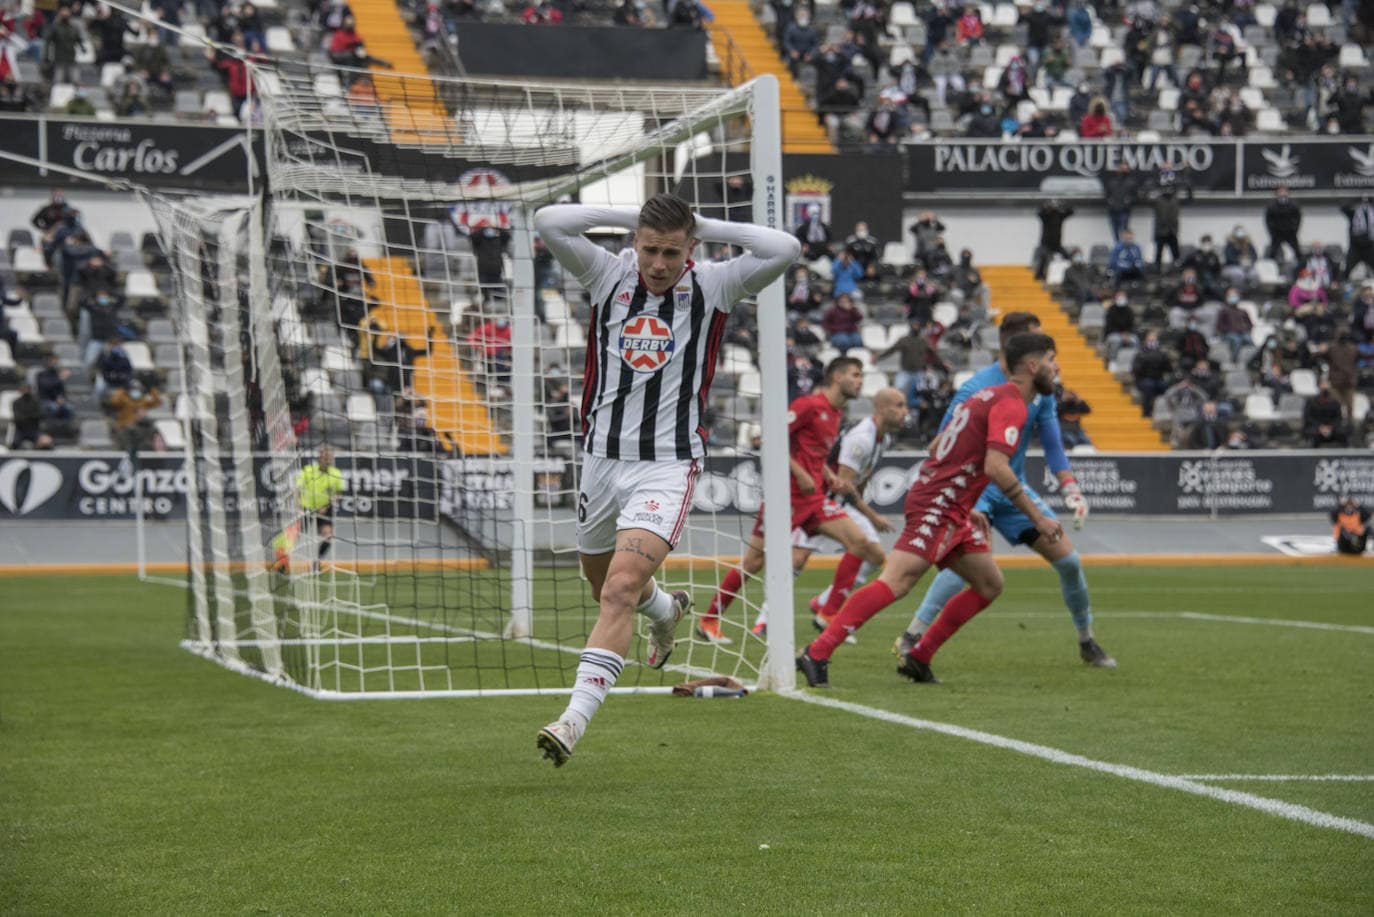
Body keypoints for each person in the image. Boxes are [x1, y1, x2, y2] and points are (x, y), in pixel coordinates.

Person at [531, 193, 800, 766]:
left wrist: (699, 223)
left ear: (691, 248)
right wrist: (639, 219)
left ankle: (573, 720)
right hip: (600, 461)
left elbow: (785, 247)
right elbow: (548, 220)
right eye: (649, 249)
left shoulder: (716, 284)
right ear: (635, 243)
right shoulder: (608, 275)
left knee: (619, 588)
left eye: (671, 252)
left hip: (667, 463)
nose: (658, 263)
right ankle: (665, 612)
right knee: (602, 580)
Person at [796, 332, 1066, 688]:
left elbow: (941, 444)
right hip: (940, 502)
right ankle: (817, 651)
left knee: (988, 584)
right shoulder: (1012, 404)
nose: (1056, 367)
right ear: (1032, 366)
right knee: (898, 580)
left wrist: (965, 501)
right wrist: (1038, 518)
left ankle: (919, 656)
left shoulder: (985, 397)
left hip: (950, 502)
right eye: (1050, 359)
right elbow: (996, 467)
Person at [894, 312, 1113, 668]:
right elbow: (940, 445)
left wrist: (1069, 485)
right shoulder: (975, 388)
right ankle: (912, 636)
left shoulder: (1039, 393)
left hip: (1012, 488)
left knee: (1070, 562)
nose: (1048, 356)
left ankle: (1087, 641)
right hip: (974, 488)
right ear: (1017, 345)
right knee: (964, 567)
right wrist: (961, 497)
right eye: (1040, 344)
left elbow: (1054, 443)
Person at [699, 357, 875, 642]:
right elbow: (772, 440)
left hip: (813, 499)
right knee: (754, 562)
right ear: (837, 376)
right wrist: (801, 474)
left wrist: (828, 475)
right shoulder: (808, 406)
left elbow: (814, 455)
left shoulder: (836, 413)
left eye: (862, 375)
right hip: (786, 498)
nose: (860, 381)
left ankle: (827, 613)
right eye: (855, 374)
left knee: (860, 543)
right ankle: (709, 620)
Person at [802, 388, 909, 627]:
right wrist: (872, 516)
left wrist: (864, 513)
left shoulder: (884, 438)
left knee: (873, 555)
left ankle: (825, 605)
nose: (906, 412)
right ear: (881, 408)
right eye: (900, 406)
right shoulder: (861, 438)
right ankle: (823, 611)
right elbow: (843, 484)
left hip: (841, 503)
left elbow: (861, 482)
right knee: (792, 558)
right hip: (826, 501)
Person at [296, 446, 347, 567]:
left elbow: (339, 494)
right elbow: (298, 488)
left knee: (328, 535)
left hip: (324, 508)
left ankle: (317, 561)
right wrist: (298, 505)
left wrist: (330, 503)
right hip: (306, 507)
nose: (327, 459)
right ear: (319, 458)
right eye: (324, 457)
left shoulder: (336, 473)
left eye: (329, 457)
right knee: (294, 535)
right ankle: (282, 562)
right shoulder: (308, 470)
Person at [1033, 199, 1074, 280]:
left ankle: (1070, 275)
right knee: (1044, 257)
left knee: (1067, 257)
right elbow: (1039, 213)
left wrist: (1063, 204)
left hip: (1057, 244)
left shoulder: (1059, 216)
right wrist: (1046, 206)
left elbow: (1071, 212)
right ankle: (1039, 275)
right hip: (1046, 243)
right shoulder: (1046, 216)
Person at [8, 383, 52, 450]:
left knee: (45, 444)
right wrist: (31, 416)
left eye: (27, 389)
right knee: (14, 445)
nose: (26, 391)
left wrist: (26, 416)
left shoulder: (36, 401)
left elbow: (40, 415)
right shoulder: (16, 402)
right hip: (21, 430)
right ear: (20, 391)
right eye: (24, 389)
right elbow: (18, 417)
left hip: (34, 429)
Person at [1340, 195, 1374, 281]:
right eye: (1363, 204)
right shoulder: (1354, 213)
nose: (1364, 205)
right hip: (1356, 247)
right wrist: (1356, 199)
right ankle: (1343, 287)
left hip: (1370, 246)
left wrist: (1371, 200)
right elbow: (1343, 208)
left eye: (1366, 204)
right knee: (1347, 268)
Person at [1264, 186, 1303, 262]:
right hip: (1277, 233)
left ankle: (1301, 269)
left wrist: (1294, 229)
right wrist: (1272, 231)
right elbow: (1268, 220)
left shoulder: (1293, 205)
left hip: (1290, 232)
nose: (1282, 193)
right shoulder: (1271, 205)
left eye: (1284, 191)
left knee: (1298, 252)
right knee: (1272, 253)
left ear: (1288, 193)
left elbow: (1297, 218)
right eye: (1280, 192)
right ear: (1277, 194)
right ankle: (1269, 269)